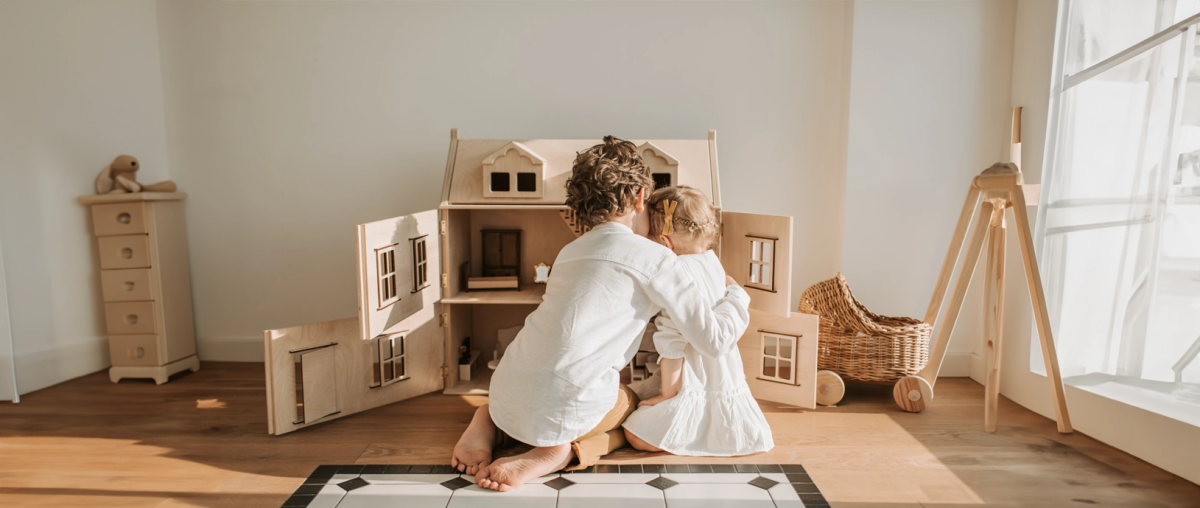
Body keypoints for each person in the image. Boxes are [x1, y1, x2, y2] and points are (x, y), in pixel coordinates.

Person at [450, 136, 751, 492]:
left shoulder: (571, 251)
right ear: (641, 197)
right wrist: (737, 296)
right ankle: (562, 451)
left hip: (505, 389)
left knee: (552, 382)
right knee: (635, 408)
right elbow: (712, 341)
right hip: (568, 402)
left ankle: (489, 419)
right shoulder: (659, 260)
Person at [622, 186, 773, 456]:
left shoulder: (674, 274)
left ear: (665, 242)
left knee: (634, 432)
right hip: (723, 372)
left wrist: (667, 395)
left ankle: (687, 432)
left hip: (693, 375)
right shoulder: (711, 261)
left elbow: (673, 345)